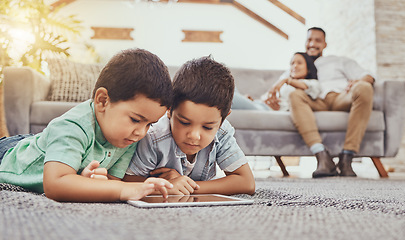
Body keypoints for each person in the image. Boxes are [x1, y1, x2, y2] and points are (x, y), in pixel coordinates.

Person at [0, 48, 174, 202]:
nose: (141, 133)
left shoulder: (128, 137)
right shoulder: (71, 126)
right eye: (136, 120)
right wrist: (125, 190)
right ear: (103, 101)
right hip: (9, 155)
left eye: (149, 125)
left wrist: (87, 181)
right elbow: (55, 184)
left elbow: (113, 182)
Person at [123, 56, 255, 196]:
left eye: (207, 127)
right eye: (185, 123)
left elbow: (247, 183)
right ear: (169, 110)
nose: (194, 135)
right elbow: (128, 181)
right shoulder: (153, 136)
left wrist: (184, 185)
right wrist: (166, 186)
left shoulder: (221, 132)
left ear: (222, 120)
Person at [275, 27, 375, 178]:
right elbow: (277, 90)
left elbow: (368, 76)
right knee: (295, 95)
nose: (312, 44)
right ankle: (322, 157)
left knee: (365, 87)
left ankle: (347, 157)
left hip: (339, 97)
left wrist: (358, 81)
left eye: (318, 40)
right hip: (313, 101)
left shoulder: (337, 61)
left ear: (325, 44)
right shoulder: (297, 65)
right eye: (309, 40)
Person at [231, 52, 320, 111]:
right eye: (292, 63)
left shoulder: (312, 83)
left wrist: (285, 80)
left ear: (308, 68)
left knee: (228, 97)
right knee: (228, 84)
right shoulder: (285, 84)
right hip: (259, 105)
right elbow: (266, 98)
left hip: (265, 110)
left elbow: (307, 87)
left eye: (299, 63)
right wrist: (251, 100)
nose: (295, 66)